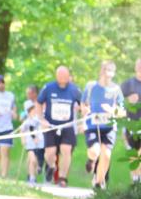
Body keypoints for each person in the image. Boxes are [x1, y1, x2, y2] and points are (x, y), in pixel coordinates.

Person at [82, 61, 126, 190]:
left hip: (109, 127)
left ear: (113, 74)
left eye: (110, 71)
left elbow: (122, 111)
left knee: (106, 155)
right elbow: (83, 104)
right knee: (95, 151)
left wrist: (112, 111)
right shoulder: (91, 86)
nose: (107, 74)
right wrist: (84, 110)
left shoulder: (116, 90)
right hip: (92, 126)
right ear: (100, 71)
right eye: (105, 71)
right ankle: (91, 160)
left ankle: (98, 183)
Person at [37, 65, 82, 188]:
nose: (62, 77)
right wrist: (41, 120)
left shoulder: (74, 89)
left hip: (67, 125)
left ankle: (62, 178)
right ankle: (51, 166)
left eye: (64, 75)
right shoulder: (48, 88)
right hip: (50, 125)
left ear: (68, 76)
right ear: (56, 76)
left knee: (66, 150)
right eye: (59, 75)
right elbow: (39, 103)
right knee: (50, 152)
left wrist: (82, 122)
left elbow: (83, 104)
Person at [122, 58, 141, 184]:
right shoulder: (128, 84)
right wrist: (127, 100)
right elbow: (116, 103)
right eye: (139, 65)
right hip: (131, 124)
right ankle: (135, 179)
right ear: (135, 67)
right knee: (133, 154)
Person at [19, 102, 45, 186]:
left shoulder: (40, 119)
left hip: (40, 144)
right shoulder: (27, 122)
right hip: (30, 144)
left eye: (33, 109)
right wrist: (23, 140)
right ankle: (32, 178)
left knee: (37, 162)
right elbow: (22, 131)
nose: (32, 111)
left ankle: (34, 172)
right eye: (30, 110)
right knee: (32, 159)